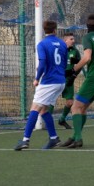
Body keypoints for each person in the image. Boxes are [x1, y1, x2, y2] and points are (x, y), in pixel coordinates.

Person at [14, 20, 67, 150]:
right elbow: (64, 63)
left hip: (49, 82)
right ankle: (54, 138)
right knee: (44, 110)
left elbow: (42, 62)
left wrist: (37, 78)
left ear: (44, 31)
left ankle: (25, 140)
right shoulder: (62, 43)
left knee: (35, 108)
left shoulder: (42, 44)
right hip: (61, 81)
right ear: (55, 30)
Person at [60, 14, 94, 148]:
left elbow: (87, 58)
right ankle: (74, 136)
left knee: (75, 107)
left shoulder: (88, 37)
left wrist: (74, 70)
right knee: (83, 108)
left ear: (87, 25)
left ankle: (78, 138)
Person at [54, 32, 81, 129]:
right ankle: (45, 121)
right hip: (58, 78)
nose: (73, 41)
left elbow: (80, 64)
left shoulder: (75, 51)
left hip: (69, 79)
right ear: (65, 40)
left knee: (70, 102)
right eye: (71, 39)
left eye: (73, 39)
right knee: (51, 100)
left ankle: (62, 119)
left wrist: (74, 76)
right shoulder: (58, 50)